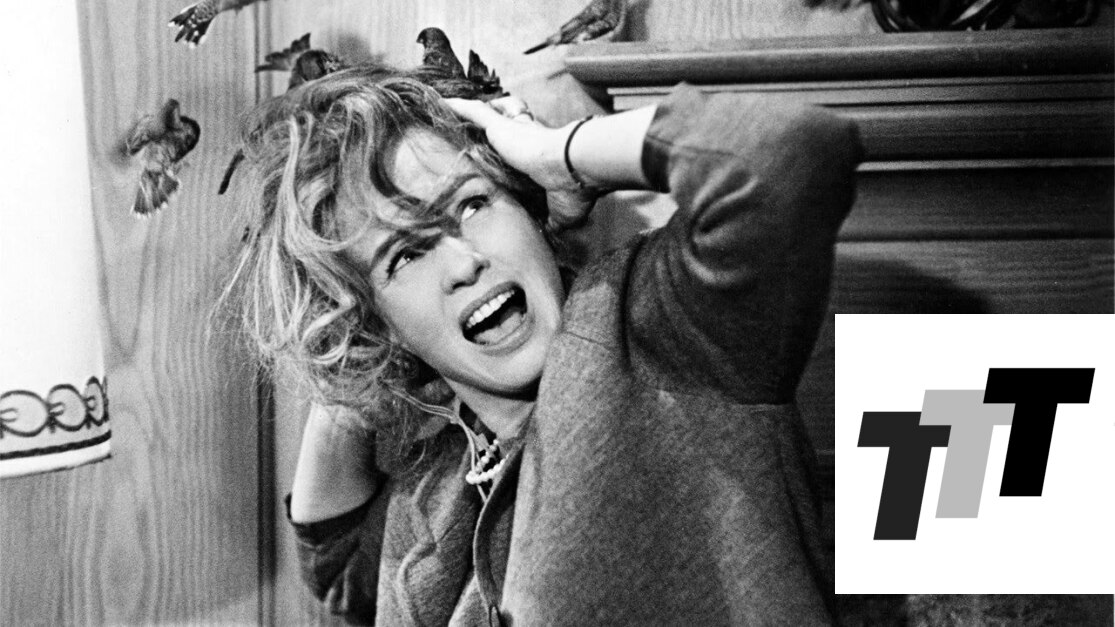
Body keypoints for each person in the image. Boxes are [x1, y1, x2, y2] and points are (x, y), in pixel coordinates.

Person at [226, 64, 862, 625]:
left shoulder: (661, 327)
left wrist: (558, 155)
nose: (464, 263)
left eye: (472, 206)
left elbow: (786, 152)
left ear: (531, 210)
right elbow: (338, 571)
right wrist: (352, 355)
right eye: (407, 255)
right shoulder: (438, 480)